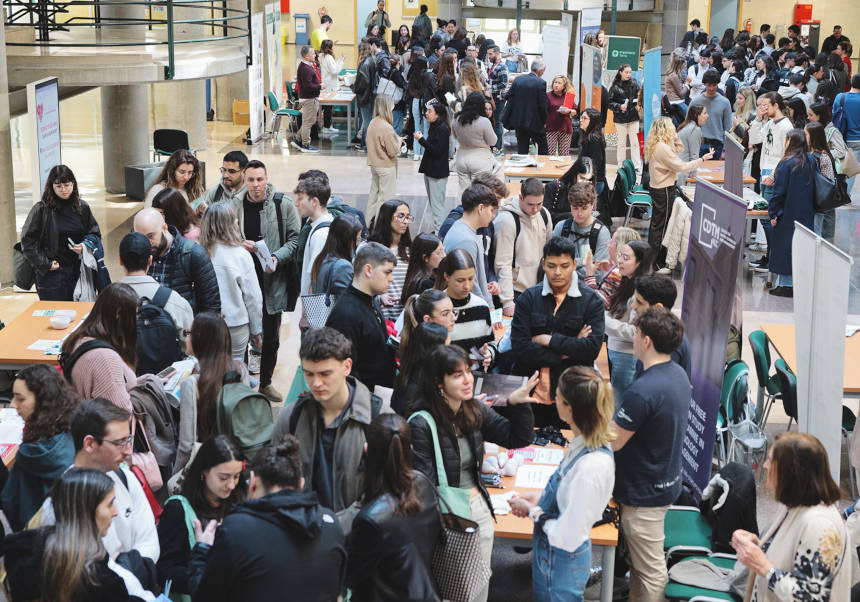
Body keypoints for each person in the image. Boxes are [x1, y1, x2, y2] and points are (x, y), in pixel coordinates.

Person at [409, 344, 535, 602]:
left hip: (480, 508)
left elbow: (515, 437)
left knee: (479, 589)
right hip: (449, 518)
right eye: (457, 375)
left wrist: (516, 404)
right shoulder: (421, 422)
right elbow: (424, 484)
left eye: (468, 371)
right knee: (456, 592)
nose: (467, 380)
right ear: (438, 382)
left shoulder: (472, 408)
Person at [188, 438, 347, 601]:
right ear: (301, 484)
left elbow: (204, 597)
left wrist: (202, 550)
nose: (232, 485)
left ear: (253, 482)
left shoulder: (237, 530)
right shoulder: (332, 526)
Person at [509, 366, 615, 602]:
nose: (554, 398)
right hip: (554, 561)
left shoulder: (590, 467)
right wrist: (542, 501)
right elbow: (571, 502)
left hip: (560, 564)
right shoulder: (583, 442)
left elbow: (566, 536)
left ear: (571, 410)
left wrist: (534, 512)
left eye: (559, 395)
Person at [34, 399, 160, 592]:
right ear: (90, 443)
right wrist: (129, 571)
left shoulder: (125, 476)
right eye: (119, 443)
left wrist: (125, 570)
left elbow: (150, 542)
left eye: (129, 440)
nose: (128, 450)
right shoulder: (60, 504)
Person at [272, 327, 393, 522]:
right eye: (309, 374)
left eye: (325, 373)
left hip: (357, 536)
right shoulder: (291, 417)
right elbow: (274, 477)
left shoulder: (379, 418)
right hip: (302, 530)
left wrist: (337, 526)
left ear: (347, 366)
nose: (316, 383)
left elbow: (390, 491)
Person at [611, 307, 691, 602]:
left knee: (651, 570)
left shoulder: (642, 390)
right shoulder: (677, 374)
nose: (633, 338)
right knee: (640, 566)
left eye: (637, 333)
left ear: (646, 341)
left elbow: (614, 441)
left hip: (643, 493)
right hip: (663, 481)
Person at [732, 432, 851, 602]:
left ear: (791, 472)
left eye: (771, 460)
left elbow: (811, 598)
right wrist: (758, 546)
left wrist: (763, 566)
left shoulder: (819, 526)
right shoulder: (794, 506)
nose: (765, 465)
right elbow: (790, 554)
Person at [4, 468, 152, 602]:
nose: (115, 512)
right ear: (86, 510)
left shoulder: (29, 551)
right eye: (109, 504)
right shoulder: (99, 581)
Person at [346, 413, 441, 601]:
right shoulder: (424, 484)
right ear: (410, 449)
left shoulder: (371, 519)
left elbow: (350, 576)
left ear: (367, 450)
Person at [511, 237, 605, 427]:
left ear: (574, 264)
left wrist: (548, 340)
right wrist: (567, 350)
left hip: (572, 398)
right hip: (530, 396)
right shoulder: (528, 299)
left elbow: (591, 349)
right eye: (552, 266)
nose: (558, 272)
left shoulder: (591, 301)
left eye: (564, 266)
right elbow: (520, 349)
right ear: (543, 264)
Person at [229, 159, 300, 401]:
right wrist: (239, 244)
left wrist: (276, 258)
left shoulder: (283, 205)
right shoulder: (233, 205)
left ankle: (266, 382)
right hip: (243, 282)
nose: (255, 185)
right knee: (242, 333)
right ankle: (244, 382)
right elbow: (224, 237)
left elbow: (295, 240)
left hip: (272, 282)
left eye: (260, 179)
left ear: (267, 178)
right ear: (244, 180)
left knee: (270, 336)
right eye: (250, 180)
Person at [157, 435, 246, 598]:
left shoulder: (240, 503)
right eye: (224, 478)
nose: (232, 485)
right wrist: (207, 574)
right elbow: (165, 571)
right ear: (203, 471)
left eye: (237, 476)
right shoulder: (178, 510)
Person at [0, 365, 77, 532]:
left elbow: (10, 501)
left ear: (43, 400)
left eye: (20, 399)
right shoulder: (74, 435)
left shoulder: (29, 455)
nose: (13, 405)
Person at [175, 313, 250, 475]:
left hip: (207, 469)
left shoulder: (192, 384)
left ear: (202, 340)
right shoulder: (241, 370)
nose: (186, 338)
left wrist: (174, 477)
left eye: (189, 333)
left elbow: (186, 446)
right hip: (237, 462)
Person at [21, 164, 102, 301]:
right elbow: (28, 242)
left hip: (78, 270)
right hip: (51, 274)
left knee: (78, 313)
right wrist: (45, 264)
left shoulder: (82, 207)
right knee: (54, 314)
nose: (64, 190)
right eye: (58, 186)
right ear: (51, 187)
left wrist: (84, 246)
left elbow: (94, 233)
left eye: (67, 185)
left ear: (73, 184)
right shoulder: (41, 210)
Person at [326, 243, 398, 390]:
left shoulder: (371, 299)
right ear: (368, 270)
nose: (391, 279)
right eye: (387, 272)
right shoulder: (345, 314)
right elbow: (344, 373)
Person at [644, 117, 713, 268]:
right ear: (665, 129)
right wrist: (701, 159)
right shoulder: (662, 148)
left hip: (658, 188)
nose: (674, 128)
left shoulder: (659, 145)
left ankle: (653, 259)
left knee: (657, 224)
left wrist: (675, 136)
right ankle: (657, 262)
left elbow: (679, 149)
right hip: (664, 189)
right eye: (672, 127)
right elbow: (681, 166)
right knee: (661, 226)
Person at [198, 202, 263, 360]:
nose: (237, 222)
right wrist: (256, 330)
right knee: (234, 373)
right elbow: (253, 297)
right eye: (234, 219)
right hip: (235, 325)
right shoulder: (241, 255)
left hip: (205, 324)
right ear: (228, 225)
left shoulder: (198, 252)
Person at [60, 283, 139, 411]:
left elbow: (111, 384)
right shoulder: (104, 358)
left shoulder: (80, 338)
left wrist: (147, 381)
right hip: (105, 429)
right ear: (118, 314)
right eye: (133, 317)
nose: (135, 322)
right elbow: (121, 415)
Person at [133, 207, 221, 314]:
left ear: (164, 228)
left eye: (150, 236)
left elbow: (211, 306)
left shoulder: (193, 254)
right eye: (141, 238)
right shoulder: (139, 253)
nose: (146, 242)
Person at [598, 240, 651, 404]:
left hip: (628, 356)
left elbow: (636, 332)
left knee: (620, 405)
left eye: (625, 258)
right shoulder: (625, 281)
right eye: (620, 255)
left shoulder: (644, 292)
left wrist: (601, 319)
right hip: (615, 350)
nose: (619, 260)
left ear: (640, 263)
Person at [119, 231, 193, 345]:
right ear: (150, 260)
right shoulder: (174, 301)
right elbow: (189, 346)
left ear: (120, 260)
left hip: (119, 362)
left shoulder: (106, 301)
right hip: (166, 363)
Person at [765, 128, 815, 297]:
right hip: (806, 212)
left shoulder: (786, 163)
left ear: (790, 142)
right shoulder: (810, 161)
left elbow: (778, 192)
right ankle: (795, 284)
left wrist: (774, 213)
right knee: (799, 249)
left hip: (786, 212)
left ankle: (785, 285)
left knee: (784, 248)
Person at [494, 177, 553, 317]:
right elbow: (503, 263)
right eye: (531, 204)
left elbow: (549, 253)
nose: (535, 209)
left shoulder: (544, 214)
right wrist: (507, 301)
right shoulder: (506, 221)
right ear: (520, 197)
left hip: (539, 290)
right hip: (516, 292)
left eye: (539, 203)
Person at [748, 92, 793, 274]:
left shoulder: (786, 127)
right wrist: (758, 119)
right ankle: (769, 255)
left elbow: (786, 155)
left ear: (776, 105)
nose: (763, 109)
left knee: (769, 218)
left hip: (774, 176)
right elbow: (754, 140)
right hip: (764, 172)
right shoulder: (768, 123)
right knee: (764, 218)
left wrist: (775, 176)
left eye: (766, 105)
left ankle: (773, 257)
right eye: (761, 106)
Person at [435, 249, 495, 367]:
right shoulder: (436, 307)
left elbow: (490, 343)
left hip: (477, 376)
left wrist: (489, 354)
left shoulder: (481, 306)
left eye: (471, 279)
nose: (467, 286)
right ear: (447, 276)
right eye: (460, 280)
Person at [442, 183, 499, 307]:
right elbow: (473, 284)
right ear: (480, 208)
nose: (493, 216)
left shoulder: (465, 229)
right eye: (491, 211)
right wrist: (486, 308)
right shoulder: (465, 240)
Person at [630, 274, 691, 378]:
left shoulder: (669, 343)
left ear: (658, 307)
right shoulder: (658, 333)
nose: (633, 306)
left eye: (639, 302)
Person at [552, 182, 611, 283]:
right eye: (575, 208)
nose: (579, 213)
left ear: (592, 205)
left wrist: (565, 267)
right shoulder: (561, 227)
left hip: (589, 291)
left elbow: (599, 274)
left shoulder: (602, 233)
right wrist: (583, 263)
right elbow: (551, 261)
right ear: (570, 205)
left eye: (584, 208)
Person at [368, 199, 413, 321]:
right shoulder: (370, 249)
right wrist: (380, 297)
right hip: (380, 316)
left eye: (408, 217)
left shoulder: (410, 250)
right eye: (401, 216)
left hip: (405, 317)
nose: (405, 221)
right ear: (388, 218)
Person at [391, 321, 449, 415]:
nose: (450, 353)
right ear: (433, 351)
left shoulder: (413, 373)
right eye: (447, 348)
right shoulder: (418, 389)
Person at [294, 174, 334, 296]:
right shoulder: (316, 225)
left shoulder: (321, 235)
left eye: (300, 199)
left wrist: (307, 313)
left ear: (315, 201)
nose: (296, 203)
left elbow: (315, 280)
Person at [453, 91, 500, 192]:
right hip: (480, 158)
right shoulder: (484, 121)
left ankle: (464, 208)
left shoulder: (457, 118)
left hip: (461, 157)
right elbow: (493, 141)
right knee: (480, 193)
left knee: (464, 192)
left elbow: (455, 136)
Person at [415, 99, 451, 230]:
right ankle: (437, 230)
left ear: (438, 114)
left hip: (437, 173)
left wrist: (421, 140)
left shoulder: (442, 129)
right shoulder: (435, 127)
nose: (426, 113)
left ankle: (439, 234)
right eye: (426, 111)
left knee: (437, 207)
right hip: (431, 170)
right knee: (434, 205)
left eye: (429, 111)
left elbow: (437, 150)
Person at [502, 58, 550, 155]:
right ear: (541, 71)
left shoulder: (518, 80)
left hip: (519, 121)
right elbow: (542, 106)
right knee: (543, 150)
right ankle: (542, 169)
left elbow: (508, 96)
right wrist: (544, 121)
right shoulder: (541, 83)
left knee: (522, 150)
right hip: (535, 123)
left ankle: (523, 168)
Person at [365, 95, 401, 223]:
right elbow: (392, 151)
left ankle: (369, 223)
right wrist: (399, 142)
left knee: (373, 196)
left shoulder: (373, 122)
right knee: (385, 199)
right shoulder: (386, 127)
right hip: (386, 166)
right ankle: (380, 226)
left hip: (374, 164)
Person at [311, 214, 363, 296]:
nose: (358, 243)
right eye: (357, 239)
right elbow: (349, 302)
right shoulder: (342, 267)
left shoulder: (321, 258)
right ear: (347, 239)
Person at [689, 69, 733, 158]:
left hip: (718, 145)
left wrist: (725, 149)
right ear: (704, 84)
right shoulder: (695, 101)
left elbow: (728, 128)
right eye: (709, 85)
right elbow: (689, 125)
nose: (711, 88)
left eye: (714, 85)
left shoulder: (725, 102)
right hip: (699, 143)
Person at [609, 64, 643, 176]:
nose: (629, 74)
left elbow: (640, 97)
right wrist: (619, 107)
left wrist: (639, 104)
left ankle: (637, 166)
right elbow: (609, 103)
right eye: (626, 72)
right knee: (621, 143)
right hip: (620, 118)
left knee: (635, 142)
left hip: (633, 117)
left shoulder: (634, 83)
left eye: (630, 72)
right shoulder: (614, 86)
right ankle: (620, 165)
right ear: (621, 72)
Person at [401, 232, 444, 304]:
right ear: (425, 257)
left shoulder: (414, 276)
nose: (444, 255)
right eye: (439, 253)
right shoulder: (425, 284)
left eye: (443, 250)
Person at [294, 45, 322, 153]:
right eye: (313, 53)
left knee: (309, 121)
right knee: (308, 123)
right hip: (308, 98)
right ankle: (305, 144)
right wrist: (320, 86)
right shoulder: (305, 69)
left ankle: (298, 138)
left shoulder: (307, 66)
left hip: (309, 98)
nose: (315, 55)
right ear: (306, 56)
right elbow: (308, 86)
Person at [577, 107, 609, 198]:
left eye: (584, 118)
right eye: (581, 117)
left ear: (593, 122)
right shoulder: (589, 135)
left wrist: (582, 178)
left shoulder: (594, 139)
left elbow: (596, 162)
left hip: (594, 183)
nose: (581, 120)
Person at [676, 104, 707, 187]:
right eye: (704, 113)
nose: (707, 115)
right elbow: (694, 155)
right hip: (682, 173)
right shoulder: (695, 129)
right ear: (696, 115)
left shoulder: (686, 126)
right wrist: (693, 175)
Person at [486, 45, 509, 150]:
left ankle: (498, 147)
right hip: (492, 96)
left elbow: (504, 83)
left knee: (498, 122)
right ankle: (494, 145)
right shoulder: (494, 65)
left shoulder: (502, 66)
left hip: (498, 98)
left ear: (497, 53)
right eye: (488, 54)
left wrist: (490, 87)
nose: (489, 56)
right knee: (494, 121)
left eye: (491, 54)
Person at [319, 39, 345, 134]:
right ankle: (327, 126)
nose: (334, 47)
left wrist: (340, 60)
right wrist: (341, 61)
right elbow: (334, 71)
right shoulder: (328, 57)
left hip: (327, 85)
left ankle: (327, 126)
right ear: (329, 48)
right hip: (330, 86)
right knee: (328, 107)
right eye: (332, 46)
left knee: (327, 107)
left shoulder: (323, 56)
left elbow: (333, 67)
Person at [546, 75, 576, 156]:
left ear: (564, 86)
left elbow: (575, 111)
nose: (556, 85)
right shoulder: (547, 95)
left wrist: (569, 111)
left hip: (565, 128)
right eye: (555, 82)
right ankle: (550, 169)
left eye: (559, 83)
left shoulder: (568, 96)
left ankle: (563, 169)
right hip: (551, 129)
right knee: (550, 155)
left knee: (564, 156)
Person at [834, 74, 860, 167]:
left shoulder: (840, 97)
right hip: (858, 139)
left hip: (843, 138)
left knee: (848, 170)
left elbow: (834, 116)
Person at [665, 49, 690, 114]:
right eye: (684, 60)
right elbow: (681, 94)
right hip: (677, 104)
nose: (686, 62)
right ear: (680, 63)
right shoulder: (674, 75)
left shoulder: (674, 73)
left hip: (676, 103)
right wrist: (687, 83)